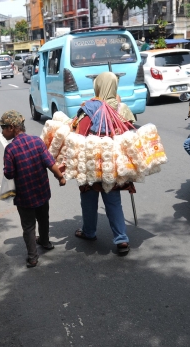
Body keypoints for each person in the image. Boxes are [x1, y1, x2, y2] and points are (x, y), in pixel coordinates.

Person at [72, 72, 134, 256]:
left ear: (98, 86)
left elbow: (79, 135)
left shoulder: (89, 108)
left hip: (92, 164)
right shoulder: (122, 109)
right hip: (114, 165)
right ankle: (121, 239)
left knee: (89, 199)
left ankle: (89, 232)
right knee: (113, 201)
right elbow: (130, 134)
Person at [0, 110, 66, 268]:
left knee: (28, 226)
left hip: (24, 197)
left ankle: (33, 257)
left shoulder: (10, 150)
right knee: (43, 219)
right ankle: (45, 242)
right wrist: (60, 178)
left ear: (13, 128)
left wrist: (8, 167)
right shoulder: (37, 141)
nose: (2, 132)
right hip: (42, 192)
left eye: (4, 128)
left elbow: (9, 174)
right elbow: (51, 163)